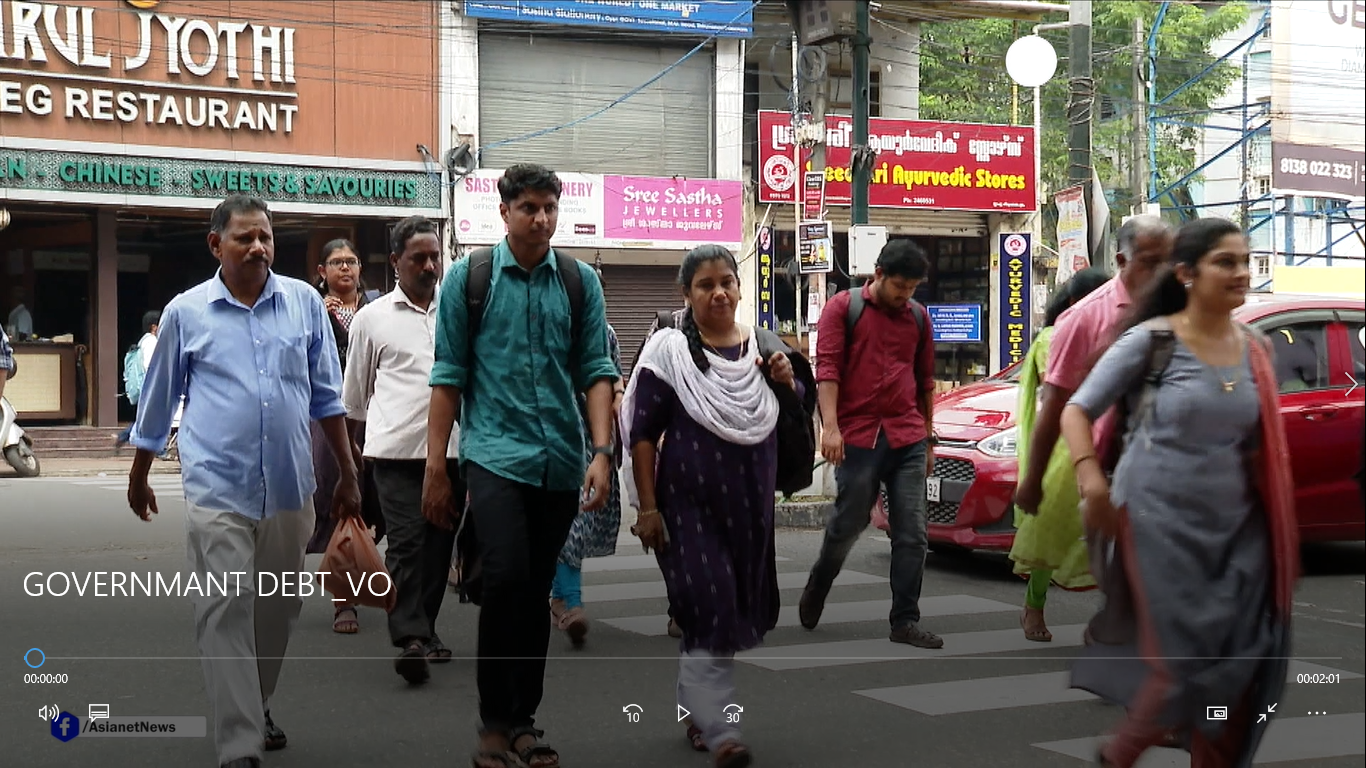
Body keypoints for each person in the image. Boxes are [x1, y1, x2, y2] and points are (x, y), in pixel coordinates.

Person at [125, 194, 361, 768]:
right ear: (216, 245)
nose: (258, 247)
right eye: (244, 238)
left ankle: (255, 703)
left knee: (276, 611)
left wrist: (348, 473)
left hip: (288, 486)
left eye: (266, 237)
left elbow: (327, 397)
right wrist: (140, 473)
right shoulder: (187, 312)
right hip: (216, 486)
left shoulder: (305, 304)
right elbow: (158, 400)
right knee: (225, 607)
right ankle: (239, 744)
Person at [1060, 217, 1299, 768]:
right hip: (1154, 523)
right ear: (1187, 274)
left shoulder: (1257, 349)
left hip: (1237, 533)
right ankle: (1121, 752)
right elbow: (1077, 408)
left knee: (1238, 662)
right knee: (1184, 660)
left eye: (1245, 261)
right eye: (1226, 262)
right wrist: (1090, 478)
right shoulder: (1154, 340)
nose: (1241, 273)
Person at [424, 163, 617, 768]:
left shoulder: (580, 282)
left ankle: (524, 722)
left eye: (549, 208)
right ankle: (493, 723)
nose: (541, 218)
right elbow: (448, 375)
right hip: (494, 455)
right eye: (529, 207)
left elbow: (596, 371)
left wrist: (601, 452)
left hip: (561, 459)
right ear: (503, 211)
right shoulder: (469, 279)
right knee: (505, 578)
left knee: (534, 593)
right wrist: (436, 464)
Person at [623, 244, 795, 767]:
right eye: (705, 284)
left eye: (727, 281)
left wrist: (787, 381)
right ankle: (718, 726)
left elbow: (791, 416)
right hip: (687, 507)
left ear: (740, 288)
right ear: (686, 293)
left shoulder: (764, 351)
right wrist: (647, 508)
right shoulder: (668, 352)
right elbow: (643, 434)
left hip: (749, 507)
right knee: (712, 604)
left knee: (720, 612)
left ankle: (695, 708)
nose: (719, 291)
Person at [799, 239, 942, 648]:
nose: (905, 295)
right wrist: (830, 428)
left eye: (912, 288)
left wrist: (929, 439)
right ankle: (819, 582)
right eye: (899, 286)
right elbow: (827, 369)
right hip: (858, 437)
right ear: (877, 274)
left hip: (908, 436)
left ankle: (905, 621)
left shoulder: (918, 317)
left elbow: (925, 381)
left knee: (912, 532)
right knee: (850, 522)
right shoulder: (843, 309)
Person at [343, 216, 460, 683]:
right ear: (396, 262)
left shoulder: (457, 313)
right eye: (419, 258)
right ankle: (409, 637)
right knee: (408, 544)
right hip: (393, 454)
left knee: (437, 549)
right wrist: (349, 463)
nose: (430, 266)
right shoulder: (372, 319)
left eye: (435, 257)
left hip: (452, 453)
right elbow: (354, 395)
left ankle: (425, 630)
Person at [1008, 268, 1110, 642]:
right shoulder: (1054, 337)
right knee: (1048, 533)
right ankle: (1033, 607)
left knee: (1109, 537)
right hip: (1062, 450)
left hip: (1105, 445)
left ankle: (1110, 621)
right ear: (1072, 304)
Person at [306, 238, 379, 635]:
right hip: (331, 418)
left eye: (351, 261)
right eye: (336, 263)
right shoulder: (313, 310)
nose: (345, 269)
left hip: (377, 415)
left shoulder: (377, 306)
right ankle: (344, 600)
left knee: (378, 501)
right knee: (341, 501)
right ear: (322, 272)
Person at [548, 277, 625, 646]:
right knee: (556, 524)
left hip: (591, 440)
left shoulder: (606, 333)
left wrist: (606, 446)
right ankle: (562, 598)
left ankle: (567, 600)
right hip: (551, 434)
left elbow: (614, 379)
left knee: (575, 521)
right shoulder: (547, 325)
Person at [117, 310, 163, 446]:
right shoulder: (151, 341)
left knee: (149, 418)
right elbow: (150, 365)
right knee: (154, 417)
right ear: (154, 327)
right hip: (150, 385)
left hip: (147, 385)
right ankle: (160, 450)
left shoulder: (144, 341)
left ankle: (123, 436)